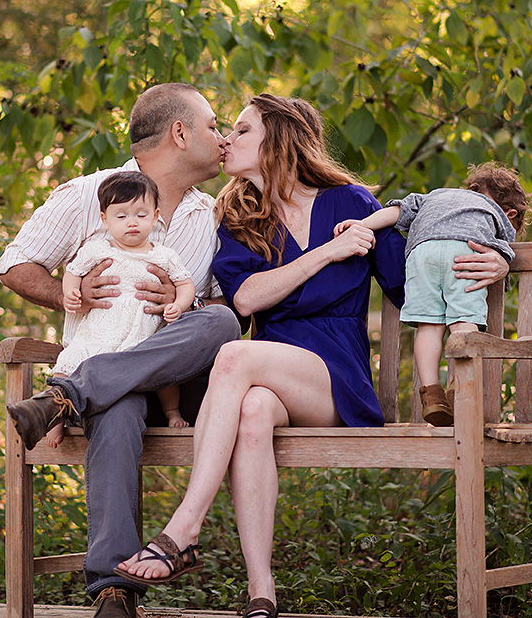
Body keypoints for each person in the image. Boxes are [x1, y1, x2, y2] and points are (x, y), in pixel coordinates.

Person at [114, 94, 509, 618]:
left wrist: (497, 257)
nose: (228, 139)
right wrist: (328, 252)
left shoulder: (350, 203)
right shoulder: (236, 218)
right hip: (272, 365)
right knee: (252, 409)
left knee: (234, 357)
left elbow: (408, 280)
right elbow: (246, 298)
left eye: (243, 130)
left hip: (335, 373)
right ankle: (261, 592)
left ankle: (184, 528)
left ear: (278, 139)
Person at [0, 82, 240, 618]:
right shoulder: (89, 194)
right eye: (212, 126)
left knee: (219, 320)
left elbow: (224, 309)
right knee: (121, 404)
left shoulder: (211, 214)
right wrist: (67, 291)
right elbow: (14, 264)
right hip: (120, 389)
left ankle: (67, 397)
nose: (221, 139)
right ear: (180, 132)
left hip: (178, 386)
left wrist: (185, 300)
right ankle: (113, 590)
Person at [334, 162, 529, 426]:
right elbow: (502, 253)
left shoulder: (435, 195)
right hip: (464, 253)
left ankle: (431, 393)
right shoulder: (497, 214)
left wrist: (361, 224)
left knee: (428, 326)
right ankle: (460, 391)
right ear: (511, 212)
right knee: (463, 322)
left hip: (421, 253)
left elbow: (397, 211)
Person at [40, 170, 196, 448]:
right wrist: (70, 294)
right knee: (67, 364)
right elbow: (72, 273)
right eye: (121, 216)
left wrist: (179, 304)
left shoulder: (163, 255)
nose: (132, 223)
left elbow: (186, 285)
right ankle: (55, 417)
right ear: (105, 219)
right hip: (100, 332)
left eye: (141, 215)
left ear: (155, 215)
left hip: (143, 331)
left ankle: (173, 412)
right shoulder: (97, 250)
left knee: (163, 369)